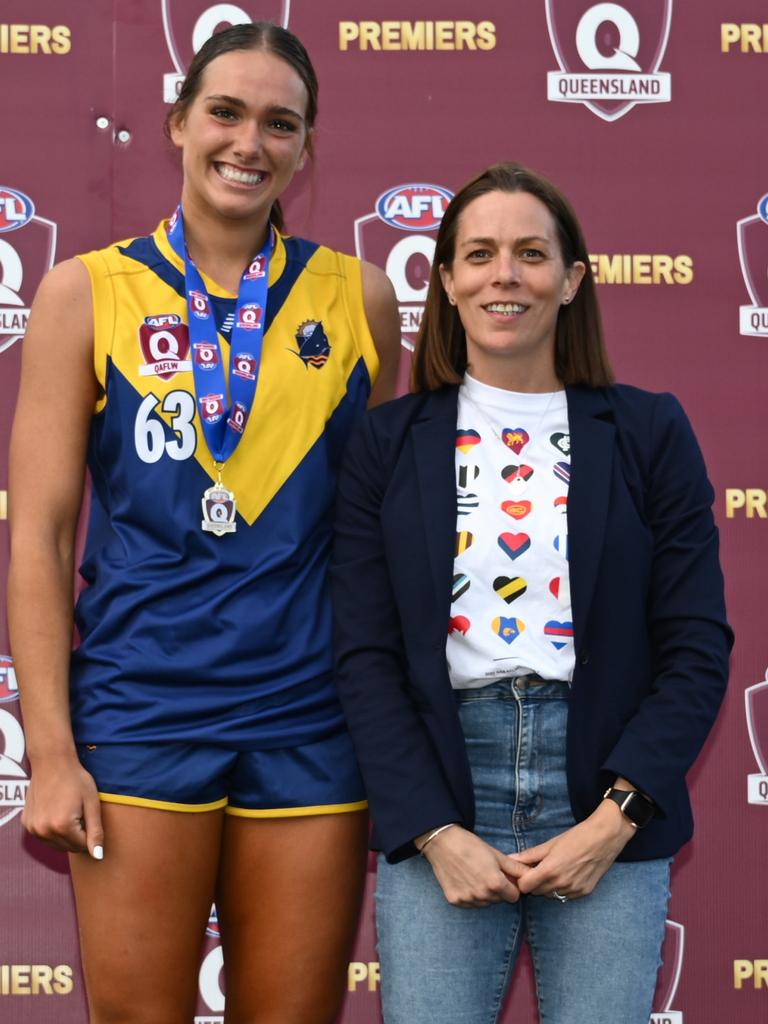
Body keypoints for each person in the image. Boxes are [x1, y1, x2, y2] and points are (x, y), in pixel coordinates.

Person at [8, 22, 399, 1024]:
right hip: (142, 711)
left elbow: (377, 529)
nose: (249, 142)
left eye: (281, 123)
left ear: (306, 150)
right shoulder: (83, 292)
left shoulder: (358, 295)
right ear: (180, 122)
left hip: (311, 716)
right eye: (225, 112)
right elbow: (43, 539)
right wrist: (51, 749)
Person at [331, 162, 732, 1024]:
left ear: (572, 278)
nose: (502, 274)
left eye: (529, 253)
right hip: (442, 793)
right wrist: (433, 830)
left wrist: (615, 820)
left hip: (605, 794)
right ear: (444, 280)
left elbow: (697, 646)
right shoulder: (386, 443)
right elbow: (362, 655)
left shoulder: (650, 431)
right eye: (477, 254)